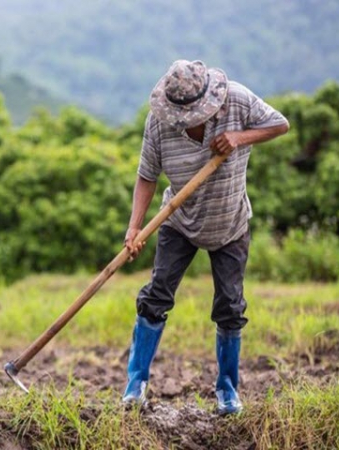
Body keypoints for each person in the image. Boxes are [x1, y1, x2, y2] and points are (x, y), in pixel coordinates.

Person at [122, 59, 289, 415]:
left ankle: (227, 391)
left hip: (230, 224)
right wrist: (135, 228)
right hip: (179, 221)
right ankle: (135, 386)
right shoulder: (159, 123)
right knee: (156, 296)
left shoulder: (238, 101)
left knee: (230, 306)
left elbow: (280, 124)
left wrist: (239, 137)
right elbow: (147, 176)